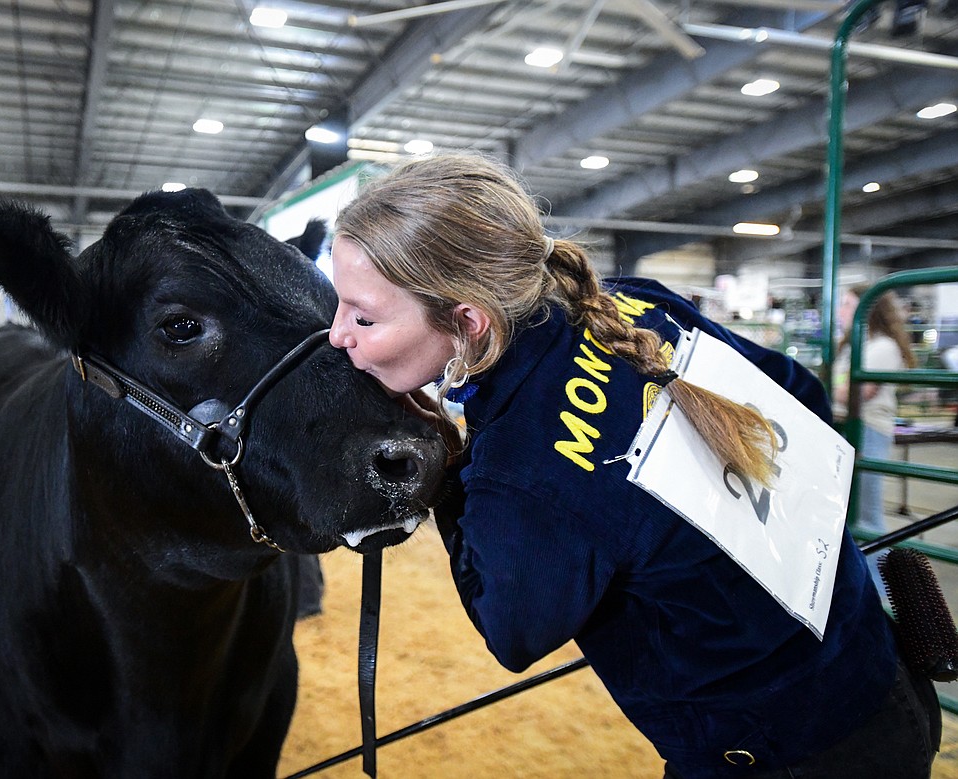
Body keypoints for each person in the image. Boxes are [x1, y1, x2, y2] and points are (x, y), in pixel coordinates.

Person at [327, 153, 940, 778]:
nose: (336, 334)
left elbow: (511, 630)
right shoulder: (634, 307)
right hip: (880, 670)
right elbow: (802, 396)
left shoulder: (521, 473)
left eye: (363, 316)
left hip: (780, 753)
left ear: (467, 321)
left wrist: (446, 469)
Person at [833, 285, 916, 543]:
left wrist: (826, 388)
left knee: (866, 515)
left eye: (848, 304)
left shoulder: (882, 347)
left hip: (868, 429)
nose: (841, 310)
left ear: (867, 308)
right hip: (845, 427)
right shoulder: (854, 346)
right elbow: (842, 388)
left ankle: (878, 581)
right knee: (848, 511)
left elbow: (857, 392)